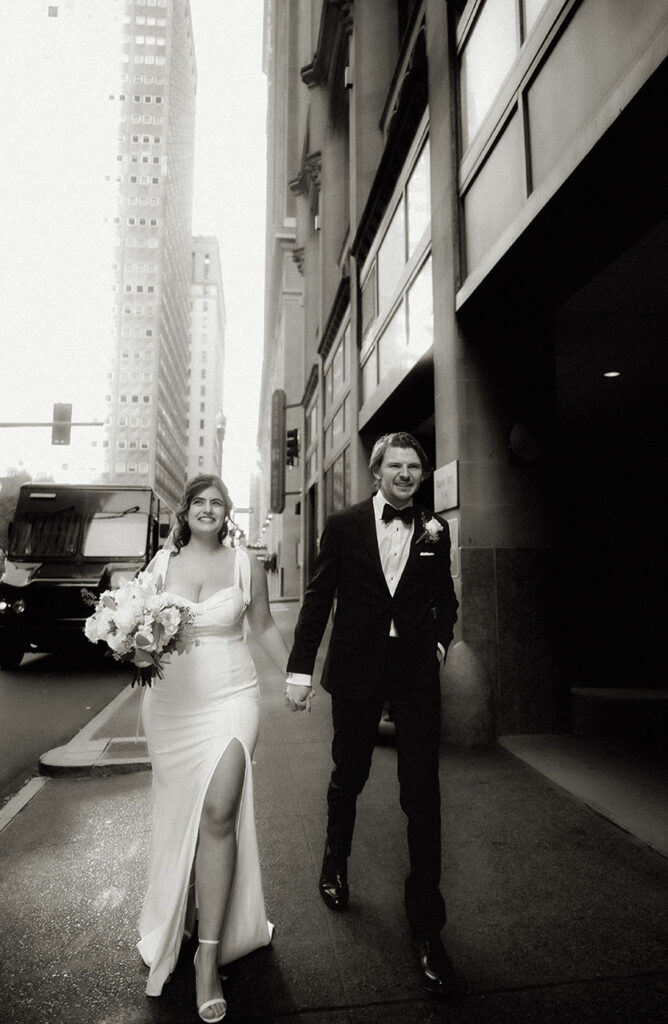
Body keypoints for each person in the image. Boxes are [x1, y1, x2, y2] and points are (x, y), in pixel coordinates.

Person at [285, 432, 460, 998]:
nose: (406, 474)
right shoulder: (341, 525)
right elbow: (317, 598)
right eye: (396, 465)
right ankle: (334, 863)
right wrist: (299, 669)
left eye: (415, 467)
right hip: (356, 668)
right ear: (376, 470)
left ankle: (428, 927)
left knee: (422, 793)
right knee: (349, 774)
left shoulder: (436, 529)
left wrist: (438, 643)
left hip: (413, 673)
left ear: (422, 474)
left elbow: (445, 600)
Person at [137, 474, 309, 1023]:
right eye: (199, 503)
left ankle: (207, 958)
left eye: (217, 503)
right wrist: (135, 649)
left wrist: (298, 675)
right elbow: (139, 640)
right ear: (183, 513)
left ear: (226, 513)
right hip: (170, 709)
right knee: (183, 815)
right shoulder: (159, 569)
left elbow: (261, 627)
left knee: (219, 811)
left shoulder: (244, 564)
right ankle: (184, 910)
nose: (208, 510)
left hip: (232, 699)